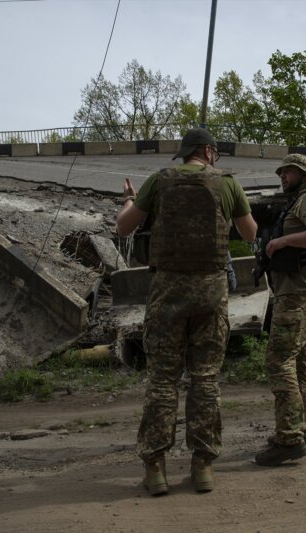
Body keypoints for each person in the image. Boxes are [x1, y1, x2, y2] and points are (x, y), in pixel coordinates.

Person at [116, 128, 257, 495]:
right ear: (209, 152)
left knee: (163, 379)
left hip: (167, 293)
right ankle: (203, 466)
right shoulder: (227, 184)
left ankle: (155, 469)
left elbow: (124, 226)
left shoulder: (159, 181)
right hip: (211, 294)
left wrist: (129, 201)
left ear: (186, 153)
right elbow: (251, 233)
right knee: (205, 378)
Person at [255, 153, 306, 467]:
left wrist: (282, 242)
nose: (282, 176)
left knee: (278, 359)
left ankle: (288, 438)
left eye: (287, 171)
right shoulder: (295, 203)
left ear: (303, 174)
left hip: (300, 294)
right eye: (282, 171)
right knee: (301, 359)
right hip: (298, 291)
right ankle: (300, 428)